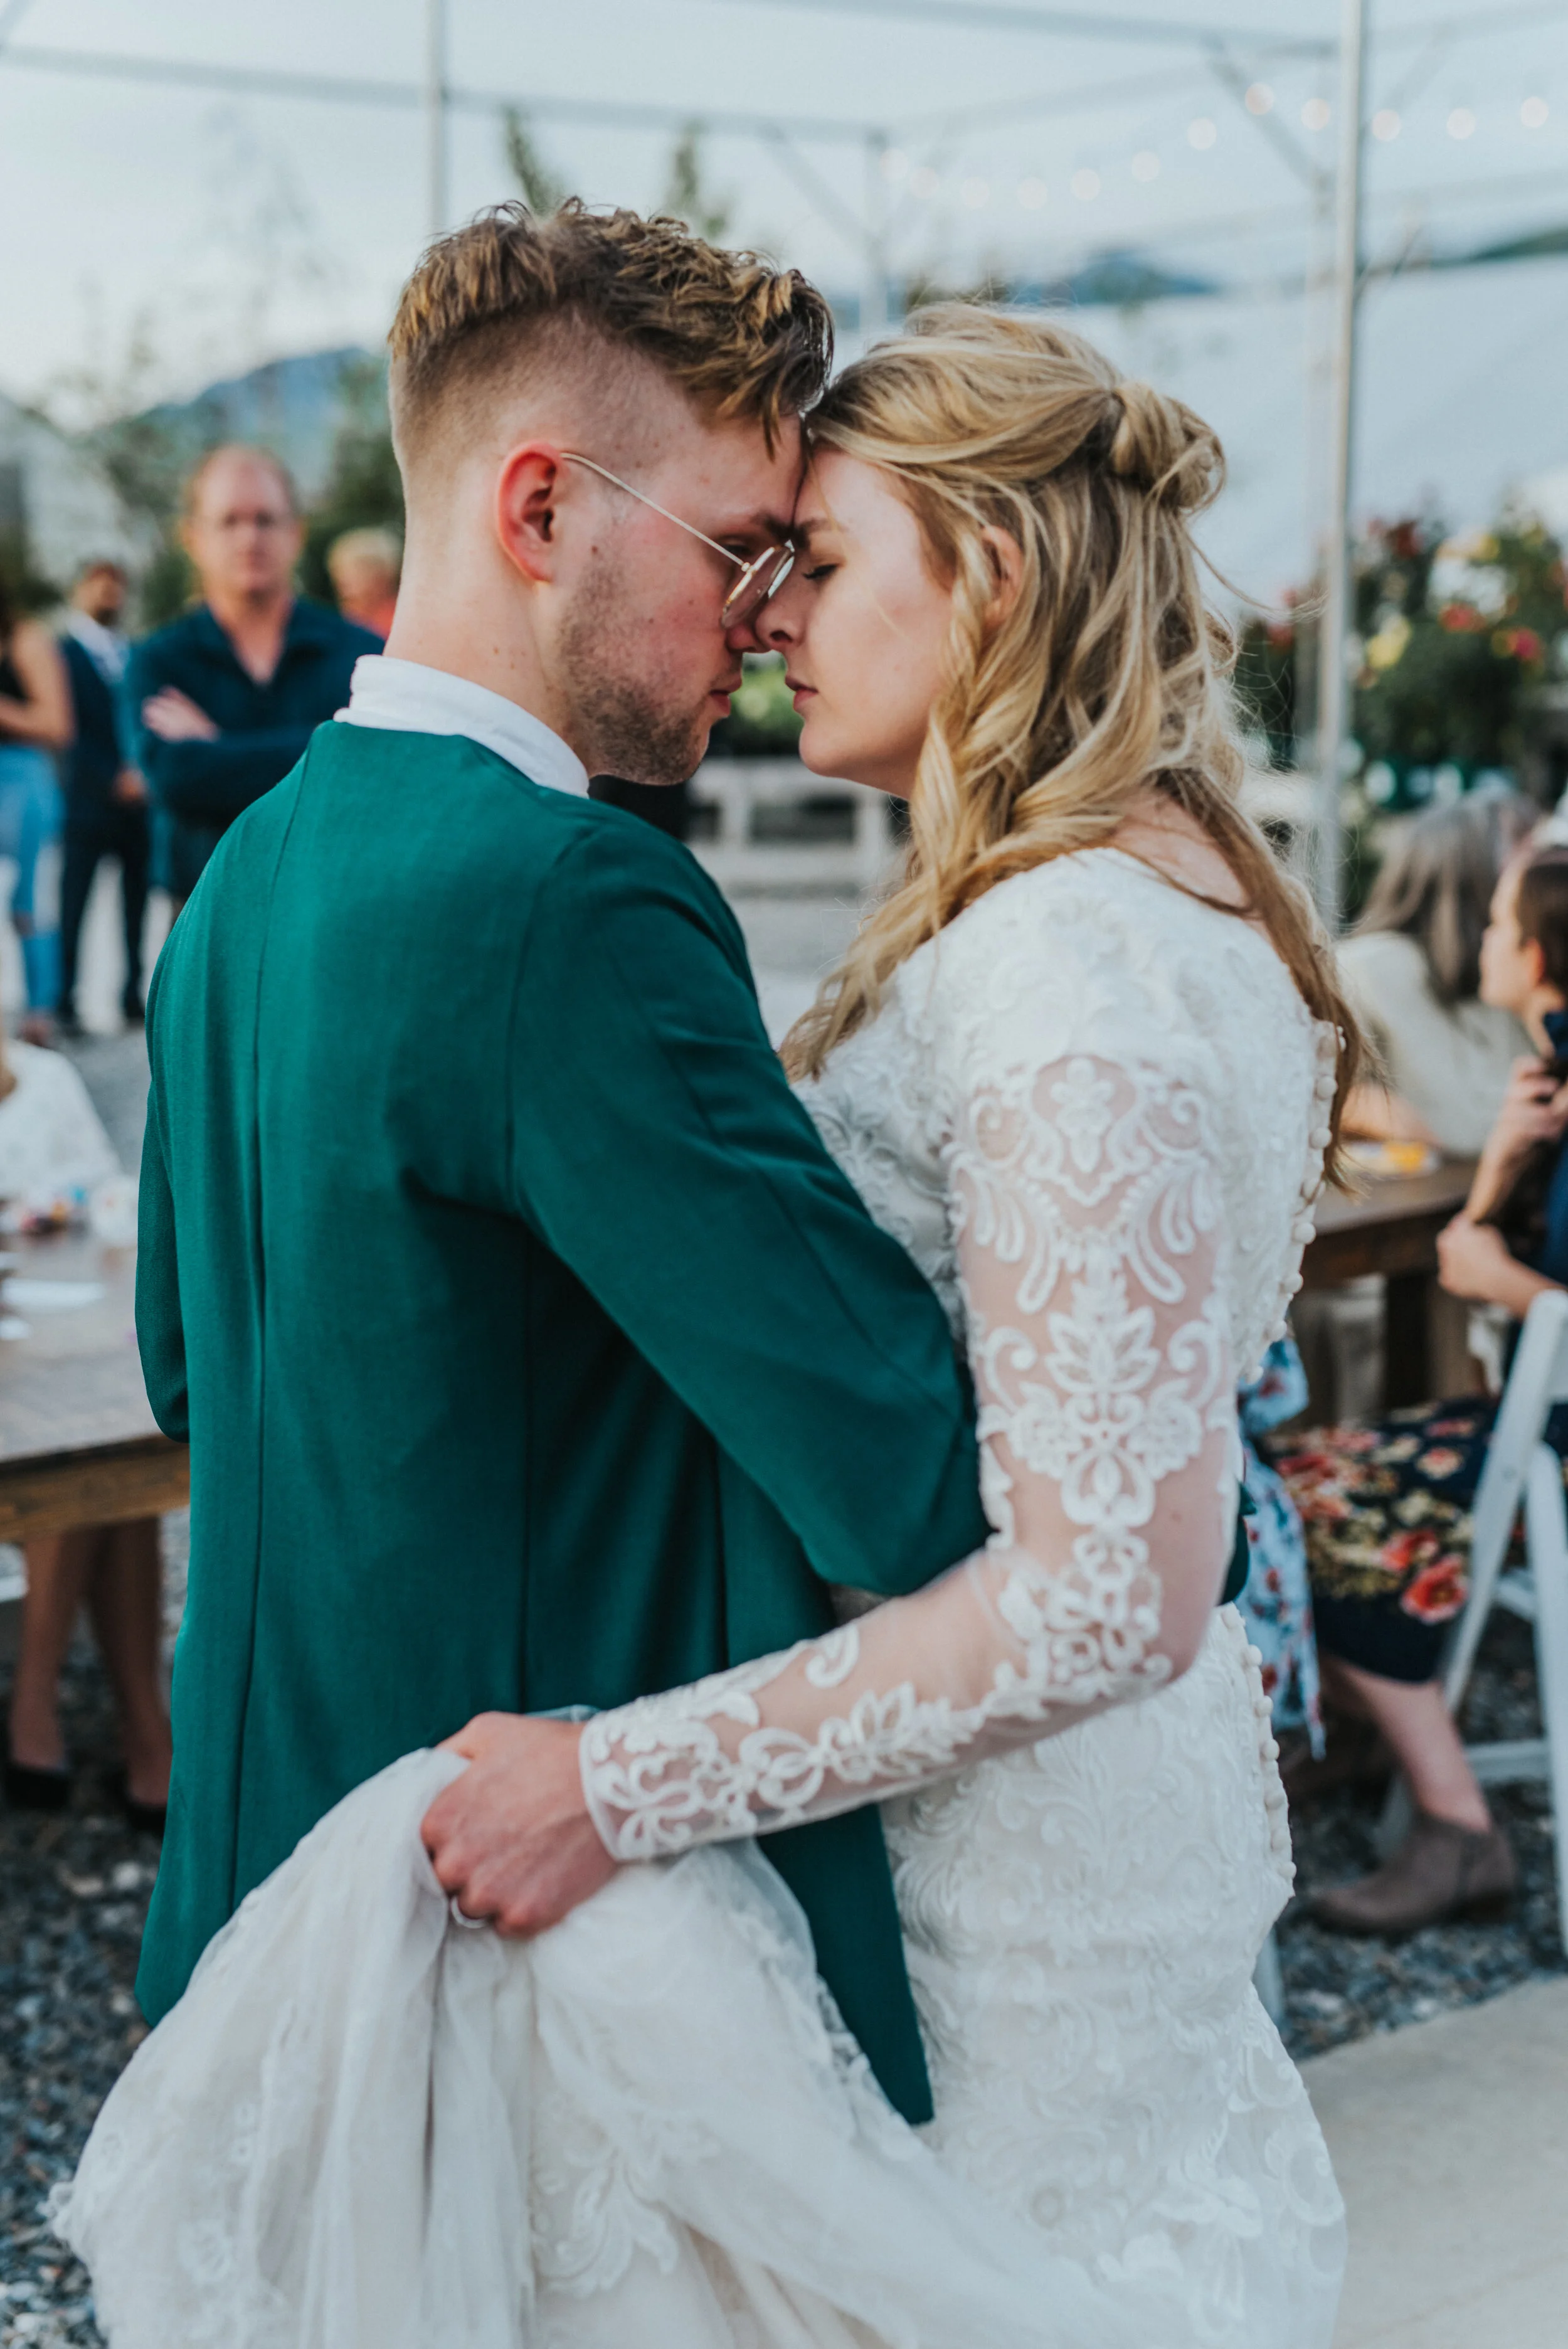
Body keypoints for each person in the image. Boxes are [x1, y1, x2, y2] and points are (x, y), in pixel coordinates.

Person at [63, 280, 1349, 2347]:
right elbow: (887, 1453)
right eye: (752, 548)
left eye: (809, 558)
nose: (764, 615)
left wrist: (625, 1767)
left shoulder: (244, 880)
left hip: (290, 1866)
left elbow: (196, 1375)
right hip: (493, 1892)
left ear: (994, 580)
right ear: (544, 506)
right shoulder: (576, 896)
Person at [1272, 842, 1568, 1934]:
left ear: (1536, 957)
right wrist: (1494, 1182)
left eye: (1498, 929)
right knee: (1294, 1475)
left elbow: (1474, 1266)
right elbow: (1461, 1256)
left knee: (1281, 1501)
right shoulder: (1546, 1083)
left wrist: (1515, 1285)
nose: (1480, 943)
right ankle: (1359, 1735)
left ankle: (1455, 1823)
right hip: (1527, 1424)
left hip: (1548, 1444)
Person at [0, 1026, 171, 1827]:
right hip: (27, 1351)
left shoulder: (44, 1078)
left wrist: (57, 1211)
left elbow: (109, 1193)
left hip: (49, 1324)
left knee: (99, 1454)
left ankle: (46, 1715)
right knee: (94, 1463)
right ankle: (141, 1735)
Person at [127, 446, 381, 907]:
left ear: (296, 532)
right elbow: (173, 779)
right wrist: (327, 745)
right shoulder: (158, 660)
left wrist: (216, 747)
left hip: (331, 906)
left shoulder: (360, 651)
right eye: (229, 521)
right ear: (193, 537)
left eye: (265, 519)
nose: (250, 537)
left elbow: (374, 768)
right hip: (202, 914)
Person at [1339, 791, 1534, 1153]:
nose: (1539, 871)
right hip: (1419, 1201)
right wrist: (1364, 1108)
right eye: (1522, 851)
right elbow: (1313, 1089)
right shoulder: (1364, 968)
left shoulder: (1518, 975)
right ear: (1468, 873)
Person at [55, 559, 150, 1036]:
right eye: (100, 585)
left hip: (137, 804)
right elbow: (67, 728)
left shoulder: (136, 652)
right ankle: (64, 1000)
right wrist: (112, 776)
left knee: (136, 904)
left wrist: (143, 771)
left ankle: (132, 994)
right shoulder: (61, 653)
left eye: (117, 586)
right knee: (75, 902)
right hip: (87, 800)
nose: (110, 594)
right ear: (81, 590)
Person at [0, 574, 69, 1042]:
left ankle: (42, 1011)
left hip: (25, 781)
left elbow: (58, 725)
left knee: (31, 902)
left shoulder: (26, 639)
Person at [326, 524, 401, 639]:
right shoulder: (340, 619)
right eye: (339, 569)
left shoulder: (399, 622)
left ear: (384, 573)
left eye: (357, 569)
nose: (344, 579)